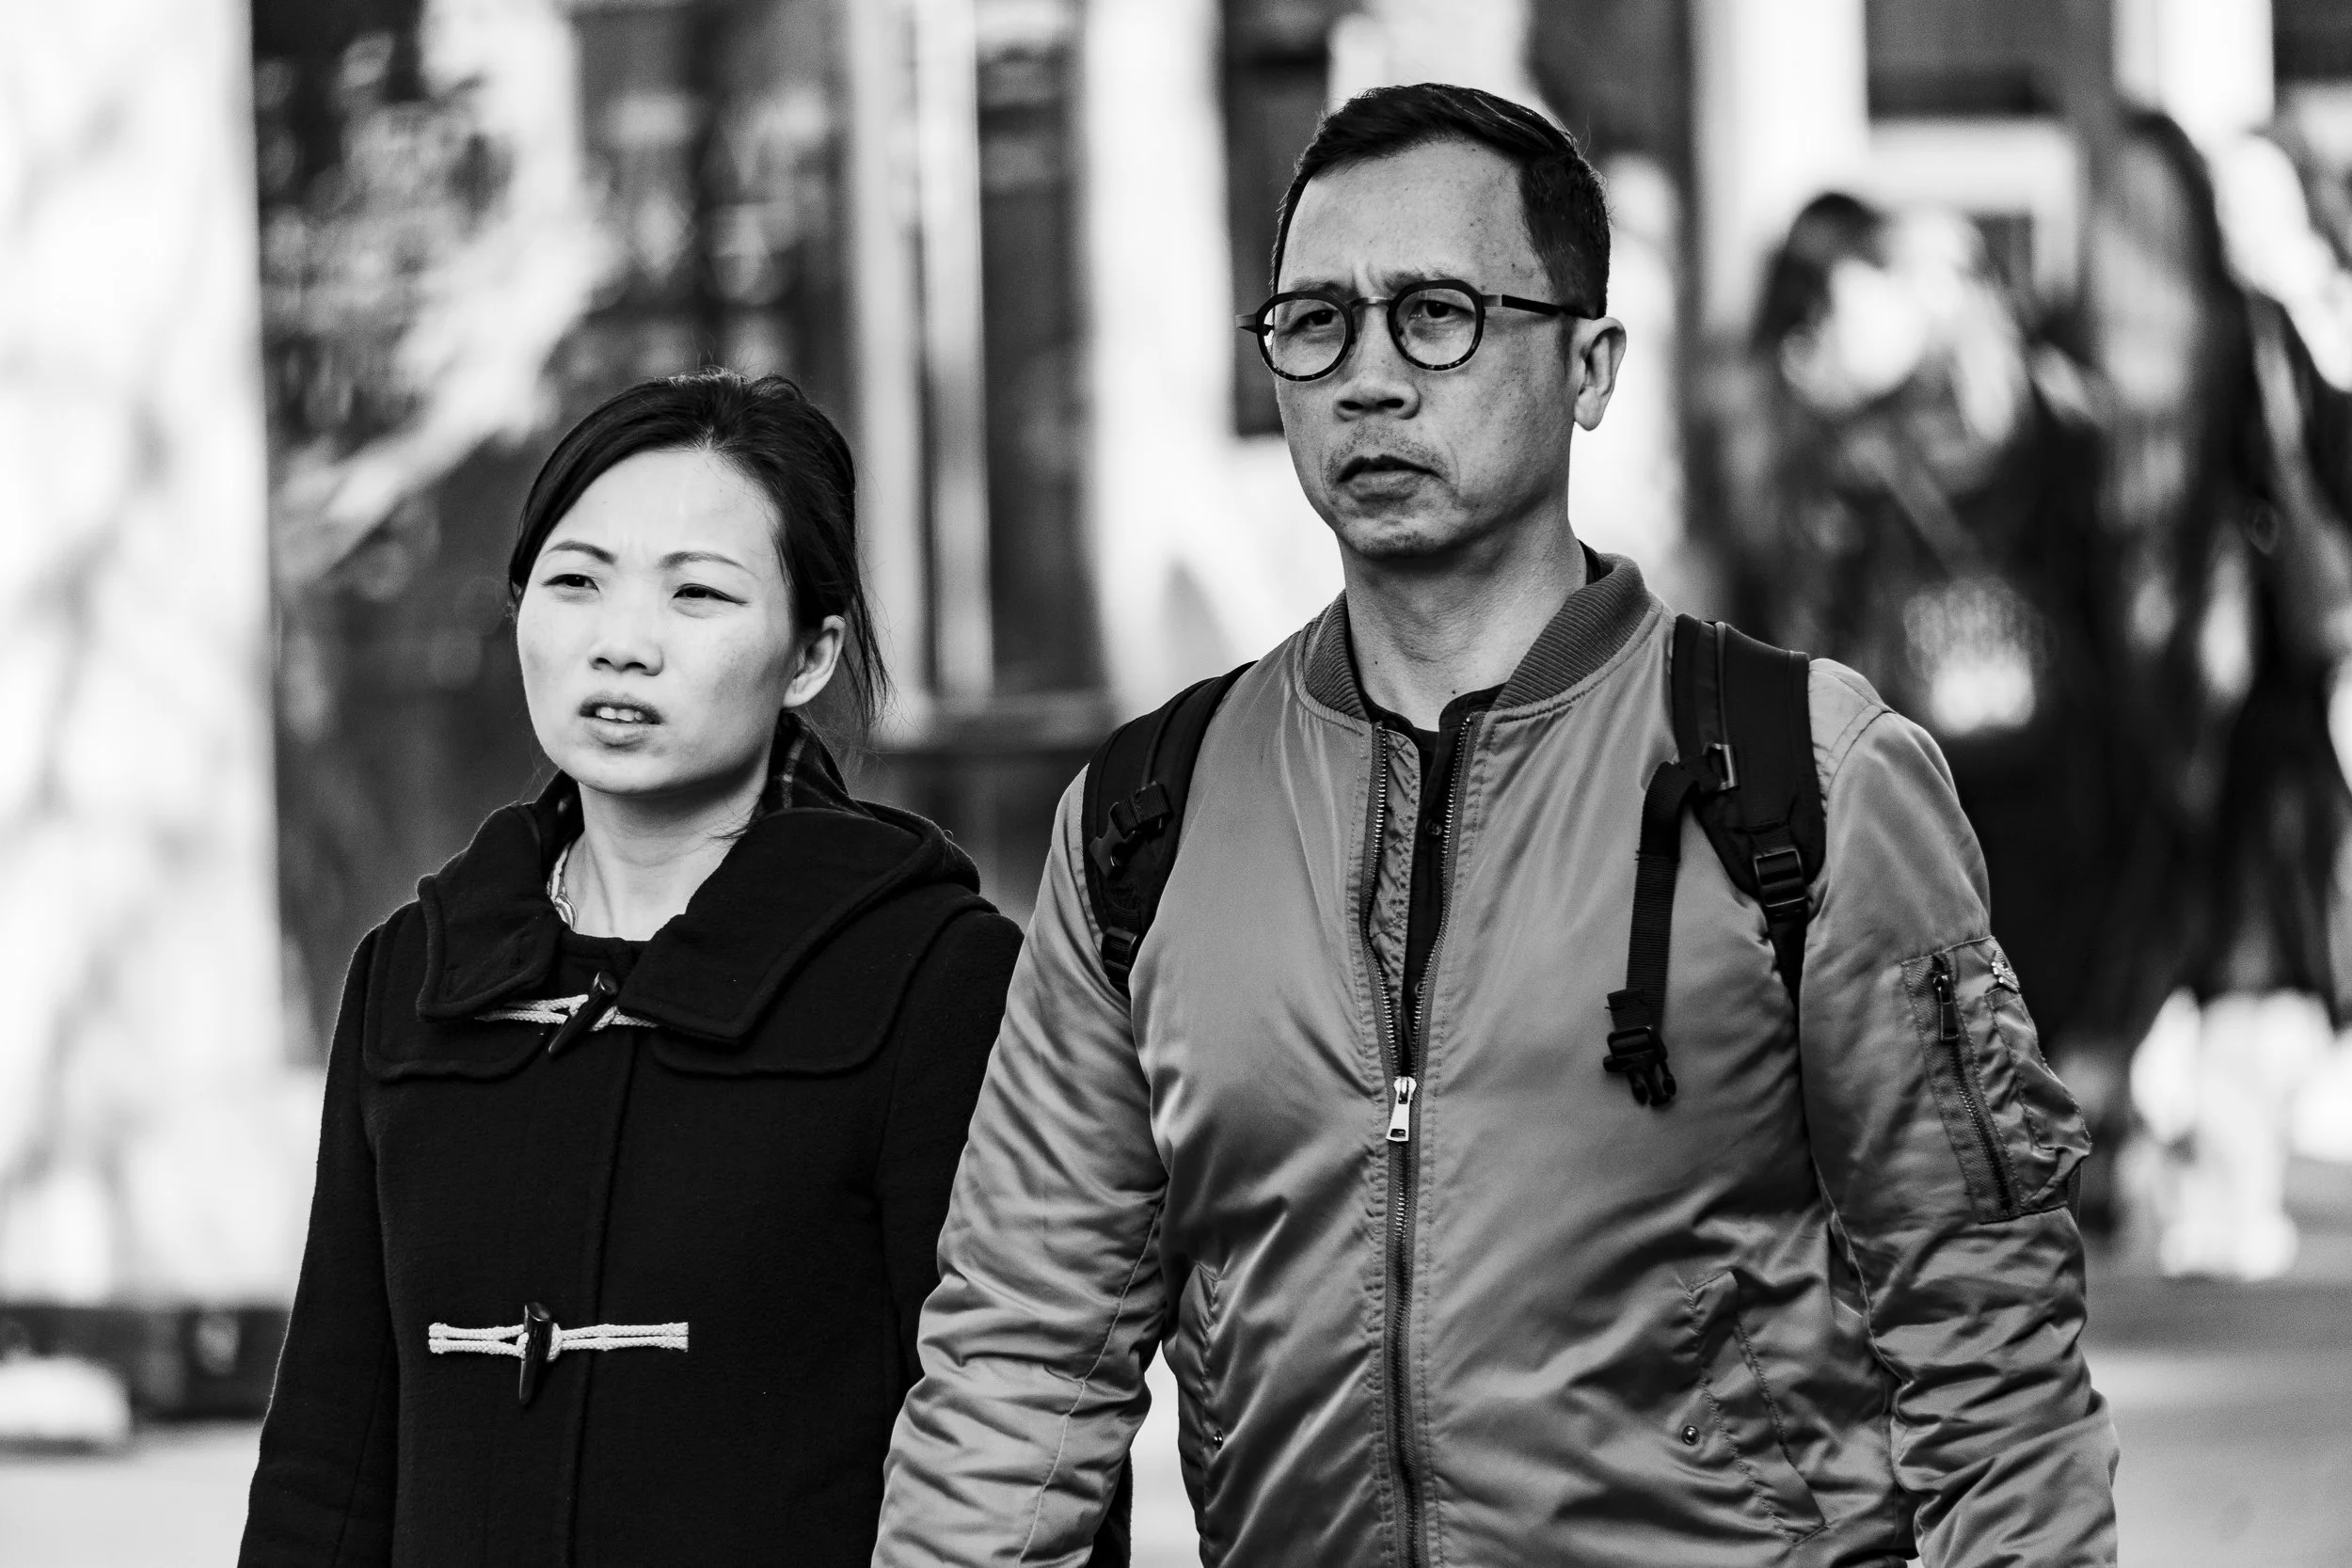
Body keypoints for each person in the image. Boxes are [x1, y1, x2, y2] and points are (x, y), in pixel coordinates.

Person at [876, 84, 2116, 1567]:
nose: (1372, 377)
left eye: (1439, 313)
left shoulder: (1805, 774)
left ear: (1589, 366)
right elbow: (1021, 1351)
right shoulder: (1150, 815)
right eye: (1315, 321)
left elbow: (1989, 1349)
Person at [240, 372, 1023, 1566]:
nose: (621, 642)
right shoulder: (415, 976)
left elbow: (1010, 1440)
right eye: (574, 581)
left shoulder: (930, 977)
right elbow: (329, 1454)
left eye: (698, 594)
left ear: (811, 653)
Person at [1719, 194, 2129, 1218]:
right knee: (2017, 934)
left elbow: (1805, 605)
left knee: (1949, 938)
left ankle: (1987, 1153)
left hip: (1917, 729)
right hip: (2028, 727)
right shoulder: (2045, 409)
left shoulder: (1858, 431)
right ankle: (2044, 1140)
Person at [2077, 111, 2352, 1279]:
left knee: (2230, 950)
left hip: (2237, 697)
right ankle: (2199, 1182)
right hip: (2207, 696)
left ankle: (2209, 1182)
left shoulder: (2265, 331)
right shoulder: (2225, 334)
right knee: (2219, 950)